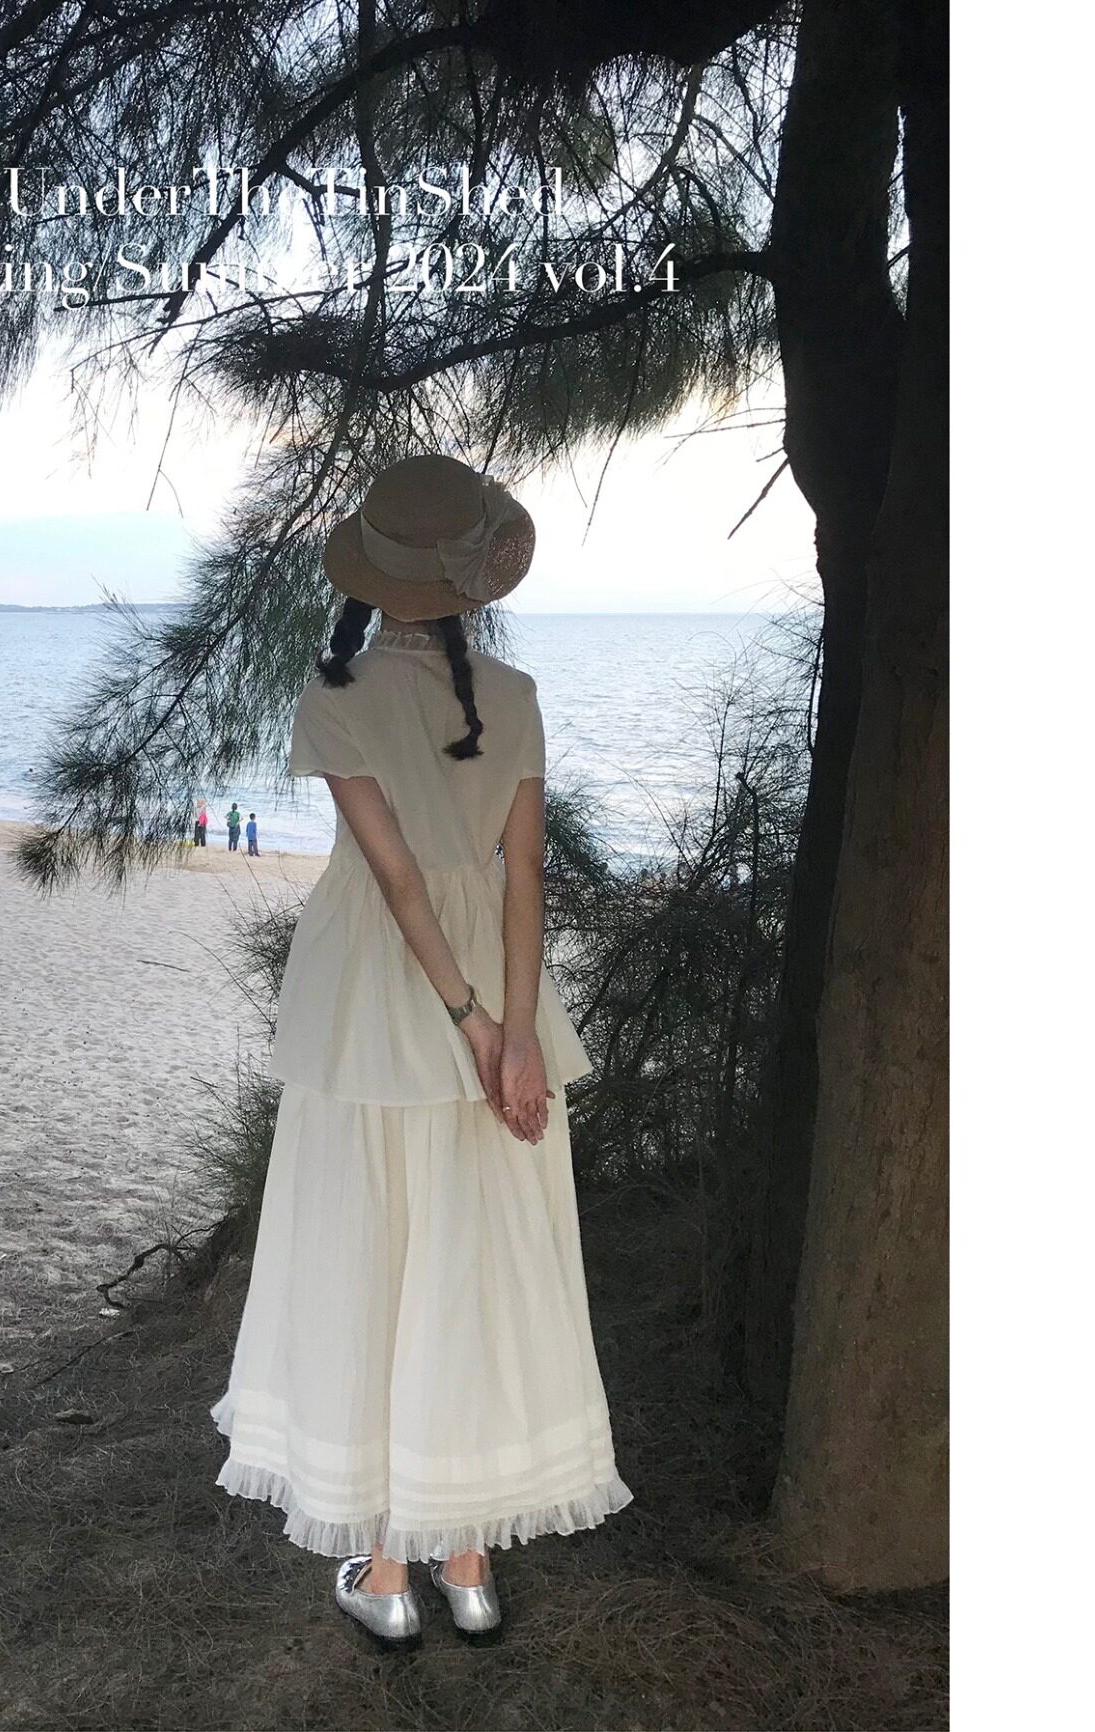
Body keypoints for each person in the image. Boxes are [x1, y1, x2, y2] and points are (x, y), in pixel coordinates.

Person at [210, 454, 615, 1652]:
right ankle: (468, 1563)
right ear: (470, 582)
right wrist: (513, 1031)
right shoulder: (515, 693)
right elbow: (522, 873)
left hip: (374, 1000)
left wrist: (468, 1023)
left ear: (372, 576)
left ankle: (387, 1572)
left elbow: (393, 879)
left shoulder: (333, 693)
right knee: (471, 1261)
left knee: (372, 1259)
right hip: (490, 972)